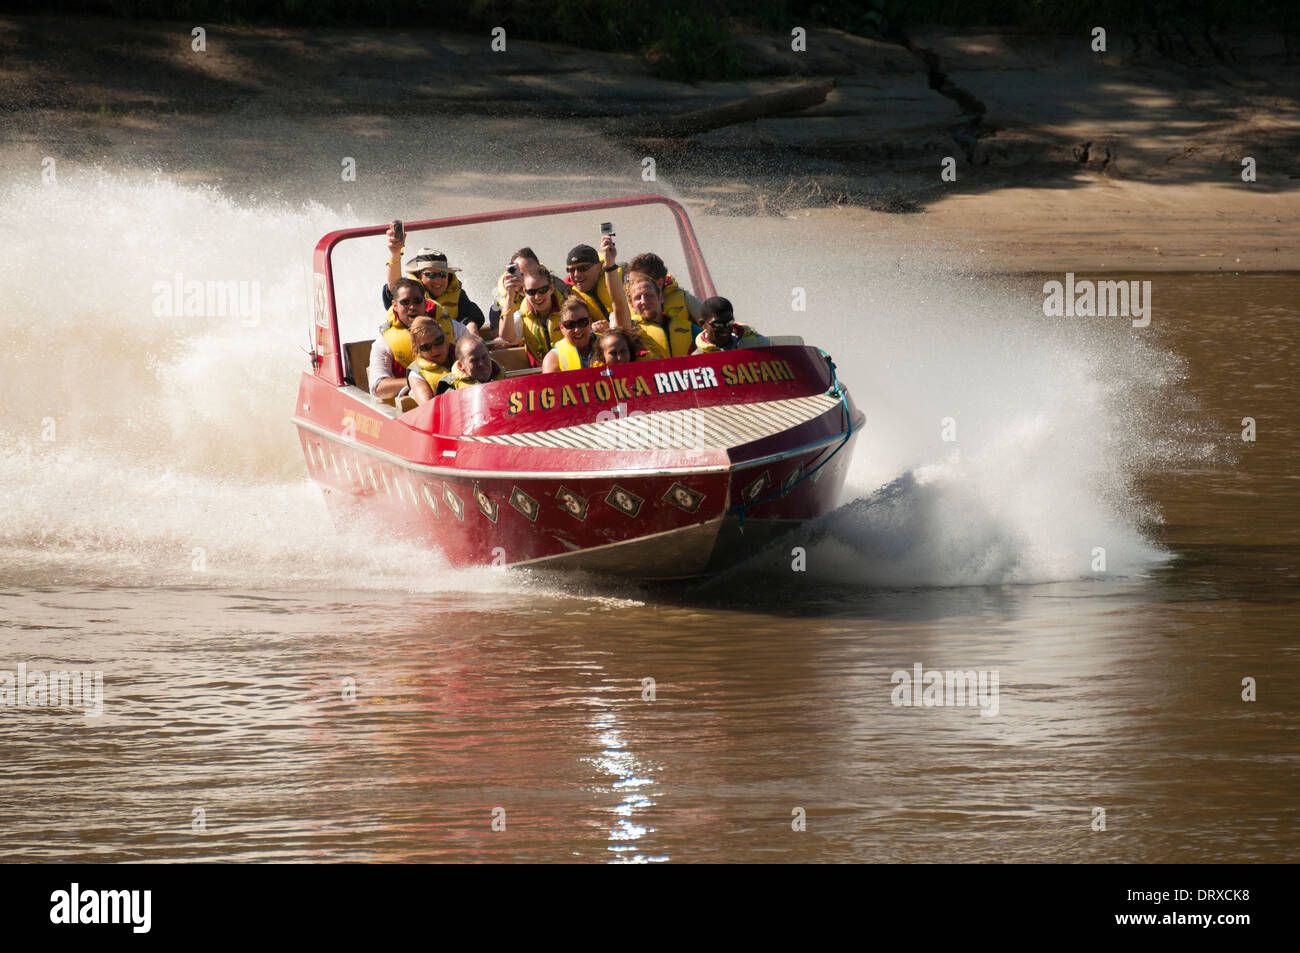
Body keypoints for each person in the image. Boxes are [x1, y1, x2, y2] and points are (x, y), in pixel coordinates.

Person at [542, 238, 631, 373]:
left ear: (590, 322)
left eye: (582, 322)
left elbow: (619, 307)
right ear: (561, 328)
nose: (577, 329)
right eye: (570, 325)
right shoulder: (553, 358)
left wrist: (610, 262)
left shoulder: (610, 346)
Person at [382, 225, 486, 336]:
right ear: (418, 275)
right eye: (431, 275)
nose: (438, 280)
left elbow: (471, 314)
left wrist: (471, 324)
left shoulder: (456, 293)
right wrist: (395, 253)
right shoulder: (409, 292)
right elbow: (393, 288)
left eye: (443, 274)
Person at [367, 278, 429, 400]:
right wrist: (418, 381)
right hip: (409, 408)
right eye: (405, 302)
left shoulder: (452, 329)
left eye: (417, 301)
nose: (412, 307)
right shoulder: (382, 344)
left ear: (425, 303)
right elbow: (378, 388)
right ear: (394, 306)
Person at [489, 247, 566, 338]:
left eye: (532, 273)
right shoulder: (500, 301)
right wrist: (510, 295)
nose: (526, 280)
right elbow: (502, 338)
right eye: (521, 274)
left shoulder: (559, 287)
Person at [626, 273, 699, 361]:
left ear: (660, 297)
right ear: (632, 306)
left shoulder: (690, 328)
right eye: (638, 298)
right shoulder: (630, 334)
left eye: (649, 295)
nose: (644, 301)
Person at [504, 268, 566, 366]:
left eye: (542, 290)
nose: (537, 297)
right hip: (540, 376)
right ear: (524, 292)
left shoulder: (569, 311)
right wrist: (510, 296)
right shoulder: (521, 316)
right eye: (531, 292)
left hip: (570, 372)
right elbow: (507, 337)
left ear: (551, 289)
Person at [624, 252, 702, 327]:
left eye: (638, 281)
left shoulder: (686, 300)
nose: (632, 287)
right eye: (630, 282)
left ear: (659, 283)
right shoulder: (625, 306)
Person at [563, 241, 623, 329]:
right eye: (571, 270)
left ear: (598, 267)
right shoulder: (572, 296)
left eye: (582, 268)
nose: (576, 275)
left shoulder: (621, 279)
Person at [406, 316, 456, 405]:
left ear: (445, 337)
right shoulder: (416, 376)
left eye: (438, 341)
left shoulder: (465, 354)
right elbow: (427, 409)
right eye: (426, 347)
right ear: (417, 350)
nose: (435, 349)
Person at [692, 296, 769, 353]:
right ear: (703, 324)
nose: (725, 329)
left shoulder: (755, 342)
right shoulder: (697, 359)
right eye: (718, 325)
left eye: (729, 323)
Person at [436, 336, 507, 393]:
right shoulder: (451, 391)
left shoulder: (503, 379)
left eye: (484, 357)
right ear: (461, 365)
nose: (481, 363)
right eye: (474, 360)